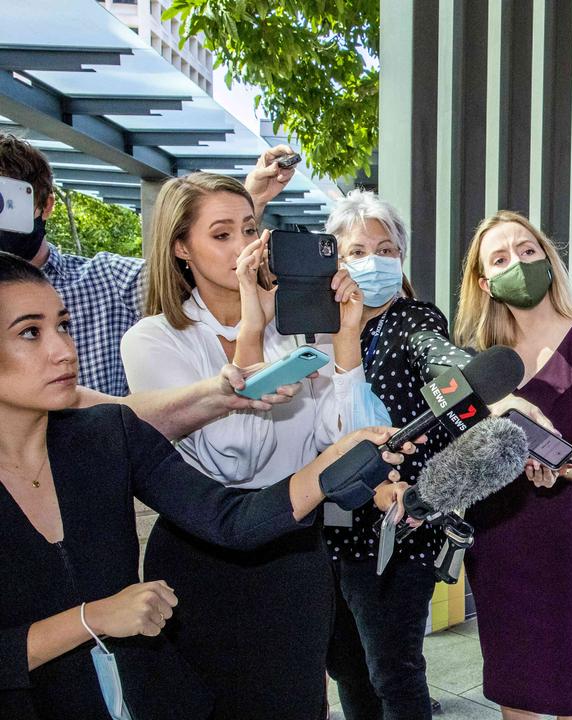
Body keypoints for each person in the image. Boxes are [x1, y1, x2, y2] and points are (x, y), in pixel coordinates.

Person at [0, 249, 412, 720]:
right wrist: (89, 619)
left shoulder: (108, 434)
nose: (63, 350)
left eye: (63, 325)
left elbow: (228, 519)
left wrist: (334, 463)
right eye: (30, 332)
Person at [118, 172, 364, 720]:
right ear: (181, 247)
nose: (242, 248)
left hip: (295, 552)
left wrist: (345, 335)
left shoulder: (300, 328)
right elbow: (235, 456)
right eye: (221, 234)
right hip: (201, 556)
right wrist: (252, 329)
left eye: (250, 229)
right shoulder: (154, 339)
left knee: (297, 705)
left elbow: (343, 439)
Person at [455, 210, 572, 720]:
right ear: (485, 282)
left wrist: (559, 461)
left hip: (561, 542)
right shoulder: (478, 358)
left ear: (548, 259)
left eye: (527, 251)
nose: (518, 263)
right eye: (501, 258)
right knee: (515, 695)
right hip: (496, 540)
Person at [321, 190, 473, 720]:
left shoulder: (412, 319)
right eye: (359, 250)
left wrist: (462, 373)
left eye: (387, 250)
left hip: (396, 529)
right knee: (346, 665)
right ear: (335, 260)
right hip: (331, 527)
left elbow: (440, 361)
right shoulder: (323, 331)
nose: (375, 262)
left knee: (393, 670)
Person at [0, 133, 296, 394]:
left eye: (7, 201)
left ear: (46, 204)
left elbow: (202, 268)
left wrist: (248, 203)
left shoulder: (105, 280)